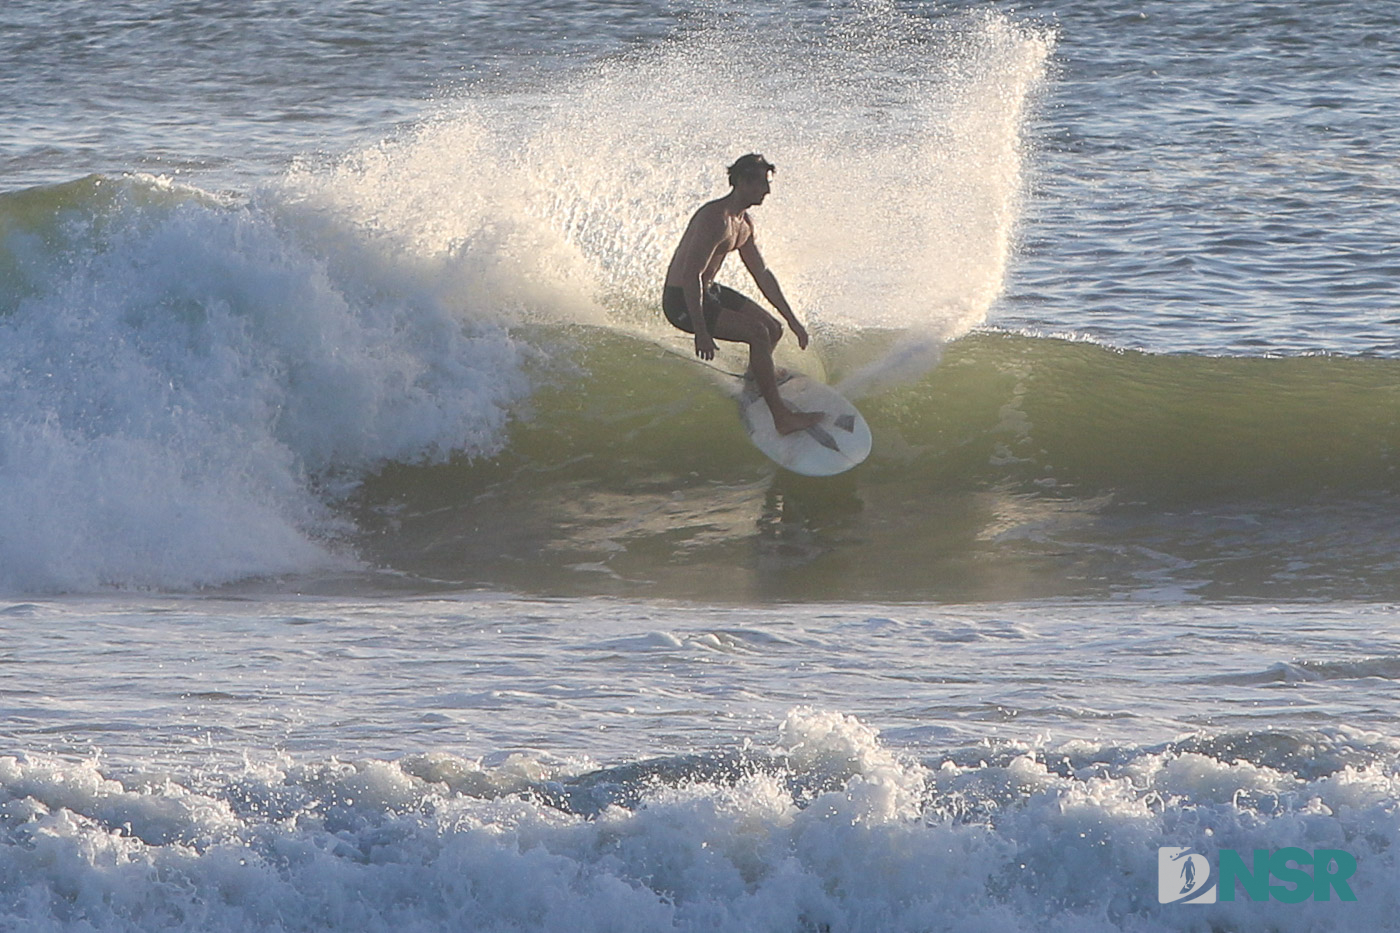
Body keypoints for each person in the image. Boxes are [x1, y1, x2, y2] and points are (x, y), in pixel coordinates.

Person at [662, 154, 823, 435]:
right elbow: (691, 276)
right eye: (762, 183)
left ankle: (755, 379)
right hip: (682, 300)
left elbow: (762, 274)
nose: (768, 190)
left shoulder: (743, 223)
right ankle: (781, 418)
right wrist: (701, 331)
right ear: (741, 182)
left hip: (707, 290)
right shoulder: (716, 219)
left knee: (773, 329)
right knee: (758, 333)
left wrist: (793, 321)